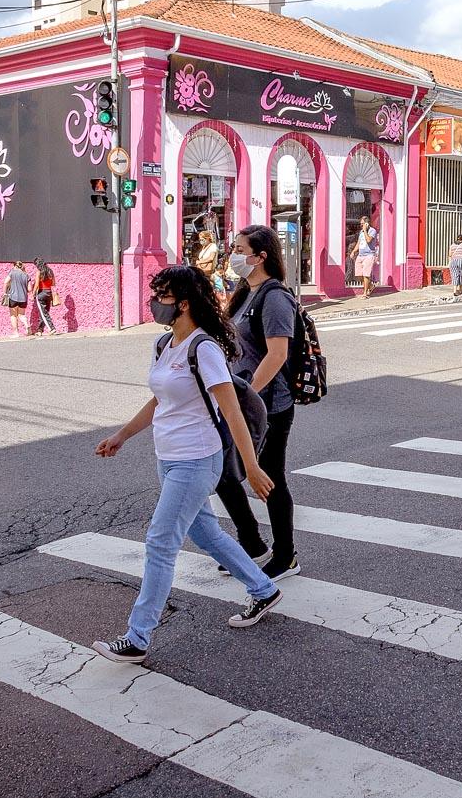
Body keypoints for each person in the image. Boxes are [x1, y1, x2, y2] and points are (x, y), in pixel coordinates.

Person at [91, 265, 282, 664]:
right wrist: (122, 435)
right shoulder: (165, 346)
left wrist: (250, 467)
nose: (153, 302)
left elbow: (231, 411)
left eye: (160, 295)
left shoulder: (204, 349)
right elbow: (161, 399)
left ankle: (138, 637)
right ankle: (264, 589)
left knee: (160, 541)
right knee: (207, 535)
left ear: (183, 303)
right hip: (169, 458)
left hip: (197, 459)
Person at [217, 225, 301, 581]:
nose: (233, 255)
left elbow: (277, 353)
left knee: (270, 479)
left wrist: (246, 392)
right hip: (239, 402)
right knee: (222, 472)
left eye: (240, 249)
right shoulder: (244, 292)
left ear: (260, 256)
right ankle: (251, 542)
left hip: (268, 406)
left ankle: (285, 557)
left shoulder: (275, 297)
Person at [349, 215, 379, 298]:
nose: (361, 225)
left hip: (369, 255)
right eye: (360, 224)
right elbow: (359, 243)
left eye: (362, 224)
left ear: (367, 224)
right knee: (358, 275)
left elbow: (369, 240)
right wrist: (353, 251)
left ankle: (365, 293)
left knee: (366, 275)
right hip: (360, 255)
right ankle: (370, 286)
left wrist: (365, 230)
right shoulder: (361, 232)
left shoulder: (373, 231)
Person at [30, 258, 59, 336]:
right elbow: (53, 283)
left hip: (41, 293)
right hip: (49, 293)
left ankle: (52, 328)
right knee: (44, 312)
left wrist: (32, 295)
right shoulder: (50, 271)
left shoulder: (39, 272)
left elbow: (36, 285)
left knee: (44, 313)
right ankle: (40, 330)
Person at [3, 261, 31, 338]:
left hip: (13, 297)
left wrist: (4, 293)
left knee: (13, 315)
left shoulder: (12, 272)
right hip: (23, 298)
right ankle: (27, 325)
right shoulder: (26, 275)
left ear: (15, 266)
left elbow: (5, 282)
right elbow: (29, 289)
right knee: (22, 314)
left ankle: (16, 333)